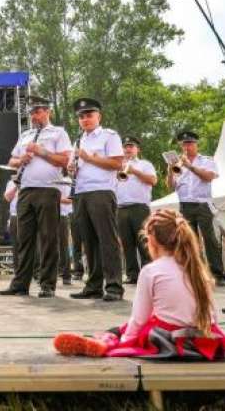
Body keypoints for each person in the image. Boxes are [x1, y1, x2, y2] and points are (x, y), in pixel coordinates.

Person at [53, 209, 225, 360]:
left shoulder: (151, 271)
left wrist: (126, 341)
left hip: (170, 340)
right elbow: (211, 319)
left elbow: (139, 319)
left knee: (122, 329)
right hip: (205, 339)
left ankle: (103, 342)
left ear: (152, 241)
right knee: (208, 331)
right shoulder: (199, 269)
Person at [1, 96, 71, 298]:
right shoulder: (26, 135)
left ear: (48, 111)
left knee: (48, 238)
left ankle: (47, 284)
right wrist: (21, 159)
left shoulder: (58, 133)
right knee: (24, 239)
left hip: (48, 189)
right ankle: (20, 284)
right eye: (31, 113)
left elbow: (65, 161)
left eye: (38, 112)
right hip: (25, 190)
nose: (34, 116)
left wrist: (40, 151)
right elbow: (12, 161)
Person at [67, 97, 125, 302]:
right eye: (81, 116)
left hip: (101, 191)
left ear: (99, 116)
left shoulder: (109, 136)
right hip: (81, 192)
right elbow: (73, 167)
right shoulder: (78, 140)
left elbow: (117, 164)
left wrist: (89, 158)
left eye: (89, 115)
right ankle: (93, 285)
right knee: (88, 241)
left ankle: (114, 286)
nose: (85, 119)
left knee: (107, 239)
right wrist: (71, 168)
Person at [166, 130, 225, 286]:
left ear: (196, 144)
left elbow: (208, 177)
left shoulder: (206, 160)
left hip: (203, 204)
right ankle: (197, 273)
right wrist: (170, 170)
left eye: (190, 143)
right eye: (184, 144)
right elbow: (170, 187)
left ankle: (218, 274)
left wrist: (190, 166)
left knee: (209, 239)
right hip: (185, 205)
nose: (186, 146)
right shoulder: (178, 163)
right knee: (189, 241)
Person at [114, 136, 157, 284]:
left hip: (139, 208)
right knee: (127, 243)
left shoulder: (145, 164)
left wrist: (135, 172)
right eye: (125, 146)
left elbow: (153, 180)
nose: (127, 149)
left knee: (144, 242)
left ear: (138, 149)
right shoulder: (116, 166)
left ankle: (148, 273)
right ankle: (132, 274)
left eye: (131, 146)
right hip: (121, 208)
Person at [58, 183, 73, 285]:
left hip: (61, 216)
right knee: (46, 246)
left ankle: (66, 275)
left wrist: (56, 199)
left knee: (63, 246)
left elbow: (70, 200)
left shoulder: (64, 182)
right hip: (46, 215)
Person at [3, 177, 18, 269]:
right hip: (15, 215)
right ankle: (17, 270)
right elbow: (8, 198)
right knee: (16, 245)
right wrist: (16, 186)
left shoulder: (31, 178)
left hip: (29, 215)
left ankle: (35, 271)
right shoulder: (11, 183)